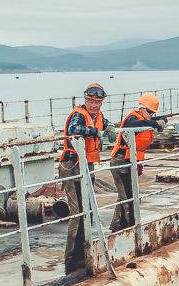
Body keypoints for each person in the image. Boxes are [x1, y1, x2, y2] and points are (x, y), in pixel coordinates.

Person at [59, 83, 107, 273]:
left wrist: (108, 128)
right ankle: (72, 259)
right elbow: (74, 129)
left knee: (89, 211)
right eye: (90, 101)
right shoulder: (79, 114)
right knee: (78, 213)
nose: (93, 105)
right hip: (72, 165)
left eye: (97, 102)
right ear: (85, 100)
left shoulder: (97, 115)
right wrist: (95, 132)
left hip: (87, 164)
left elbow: (105, 124)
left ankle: (83, 252)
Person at [109, 93, 165, 232]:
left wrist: (161, 120)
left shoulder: (145, 118)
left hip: (132, 160)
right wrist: (154, 123)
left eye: (153, 112)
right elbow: (136, 124)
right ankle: (131, 229)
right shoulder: (132, 119)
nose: (151, 115)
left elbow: (161, 118)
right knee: (128, 197)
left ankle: (116, 226)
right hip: (120, 160)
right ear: (141, 108)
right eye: (149, 111)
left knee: (126, 195)